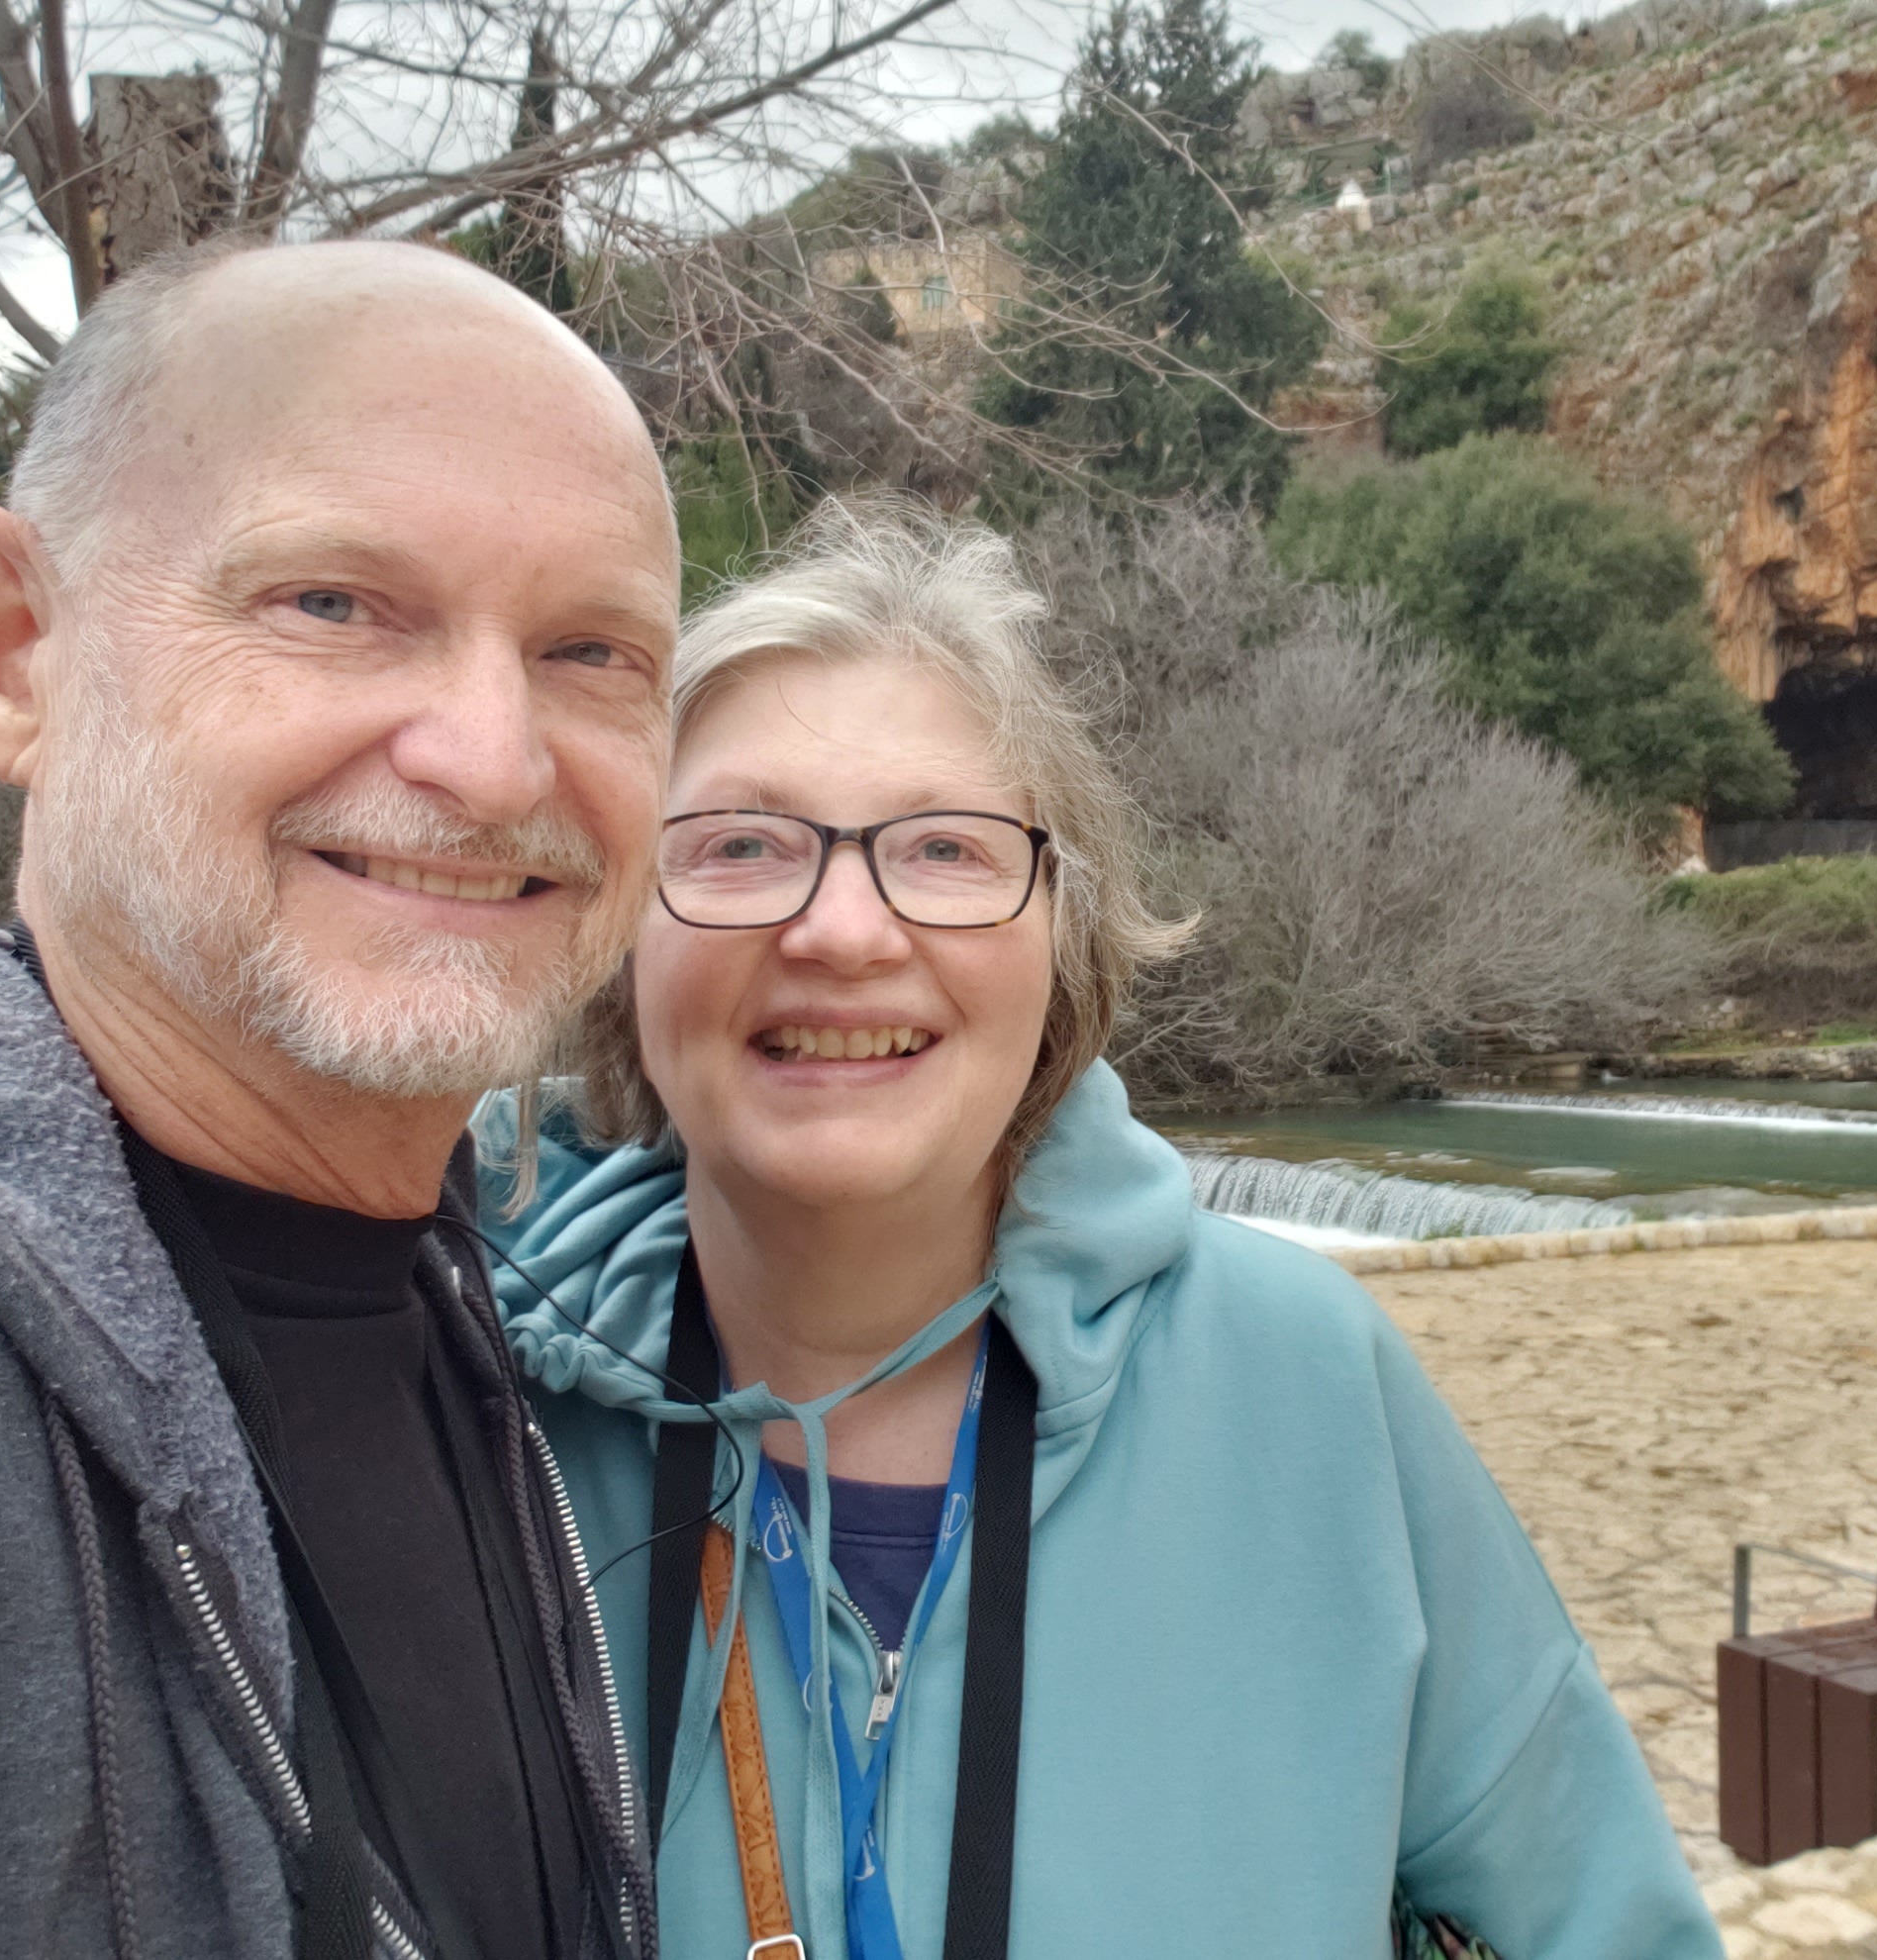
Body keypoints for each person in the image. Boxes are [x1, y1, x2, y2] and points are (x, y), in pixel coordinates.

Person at [484, 503, 1720, 1960]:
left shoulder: (1303, 1385)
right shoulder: (466, 1407)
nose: (842, 928)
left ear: (1062, 935)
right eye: (742, 844)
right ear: (620, 927)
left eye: (945, 849)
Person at [0, 240, 683, 1960]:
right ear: (9, 649)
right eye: (334, 604)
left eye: (591, 651)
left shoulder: (447, 1303)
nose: (495, 761)